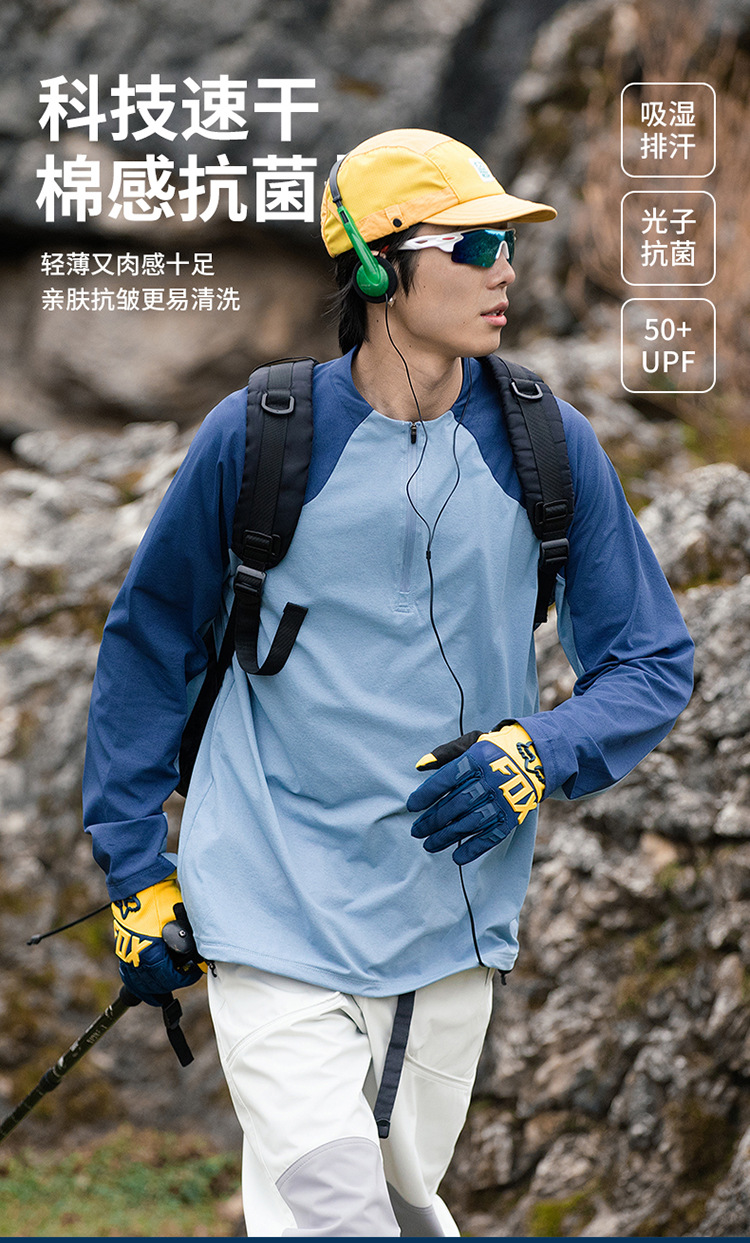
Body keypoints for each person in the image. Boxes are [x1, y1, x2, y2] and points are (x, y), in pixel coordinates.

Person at [82, 128, 694, 1237]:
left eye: (507, 243)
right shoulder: (258, 439)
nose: (504, 270)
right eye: (473, 245)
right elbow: (149, 644)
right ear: (375, 267)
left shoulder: (545, 444)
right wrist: (136, 868)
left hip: (449, 923)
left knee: (402, 1212)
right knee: (336, 1214)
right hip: (264, 899)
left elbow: (652, 659)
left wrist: (537, 753)